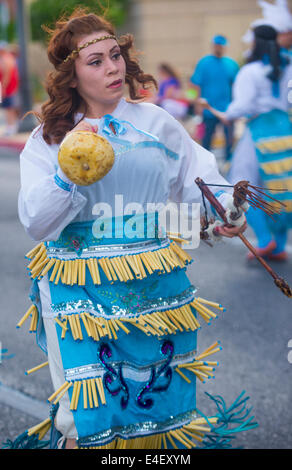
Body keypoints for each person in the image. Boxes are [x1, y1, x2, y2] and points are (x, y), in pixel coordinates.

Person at [11, 9, 251, 450]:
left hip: (155, 286)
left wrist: (226, 212)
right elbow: (37, 222)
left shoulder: (157, 123)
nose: (112, 68)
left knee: (158, 414)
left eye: (115, 55)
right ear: (72, 75)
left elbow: (199, 186)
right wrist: (68, 172)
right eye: (96, 61)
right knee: (85, 417)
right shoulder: (50, 138)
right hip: (78, 291)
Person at [199, 25, 292, 262]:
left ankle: (264, 239)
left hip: (260, 130)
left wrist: (216, 111)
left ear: (256, 43)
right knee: (283, 186)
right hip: (285, 128)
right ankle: (279, 244)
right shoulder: (288, 65)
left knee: (241, 186)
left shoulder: (250, 71)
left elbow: (240, 108)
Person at [189, 35, 239, 161]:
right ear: (212, 46)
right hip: (208, 109)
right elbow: (194, 84)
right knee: (207, 139)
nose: (218, 48)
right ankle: (206, 163)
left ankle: (229, 163)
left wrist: (237, 106)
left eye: (221, 46)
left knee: (229, 139)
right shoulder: (204, 63)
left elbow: (236, 86)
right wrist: (196, 104)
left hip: (227, 109)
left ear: (225, 47)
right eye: (216, 46)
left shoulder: (231, 64)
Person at [0, 41, 19, 136]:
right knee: (8, 107)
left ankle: (11, 127)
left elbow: (6, 76)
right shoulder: (7, 58)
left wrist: (2, 88)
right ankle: (10, 126)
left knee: (8, 108)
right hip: (9, 87)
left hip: (7, 88)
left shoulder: (5, 59)